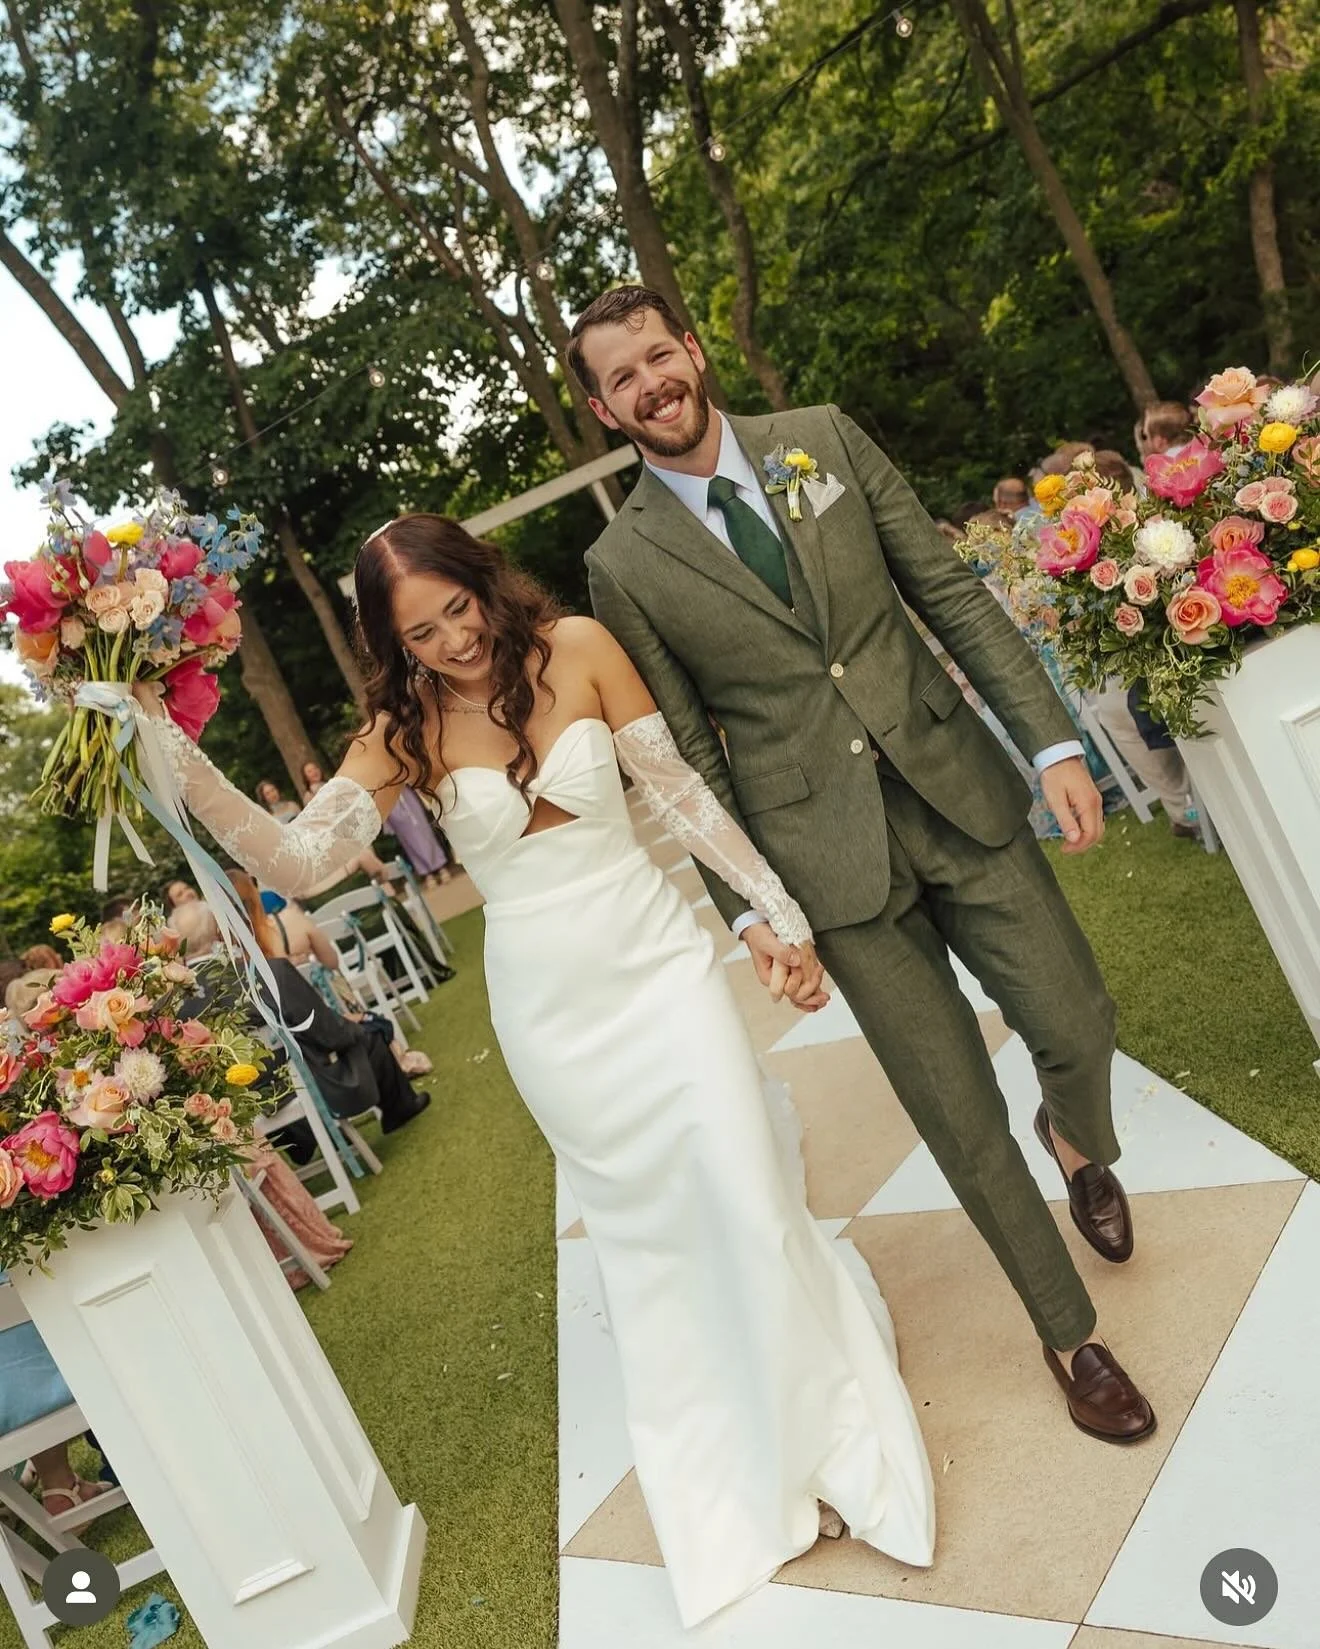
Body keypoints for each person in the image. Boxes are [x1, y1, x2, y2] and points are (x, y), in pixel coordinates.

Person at [129, 523, 936, 1630]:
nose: (454, 640)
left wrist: (769, 913)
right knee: (653, 1242)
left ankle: (826, 1433)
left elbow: (683, 797)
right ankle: (741, 1460)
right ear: (392, 642)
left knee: (747, 1188)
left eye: (458, 607)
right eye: (422, 631)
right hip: (554, 1009)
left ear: (481, 580)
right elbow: (299, 863)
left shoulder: (584, 647)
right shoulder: (400, 728)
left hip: (660, 964)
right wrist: (176, 753)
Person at [568, 284, 1154, 1451]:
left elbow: (946, 590)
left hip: (957, 790)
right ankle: (1069, 1334)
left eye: (657, 354)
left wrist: (1050, 740)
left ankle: (1079, 1140)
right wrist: (752, 913)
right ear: (602, 409)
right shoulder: (623, 562)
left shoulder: (821, 439)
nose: (650, 383)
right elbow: (684, 754)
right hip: (824, 863)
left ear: (692, 349)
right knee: (956, 1109)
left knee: (1076, 1019)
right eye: (620, 377)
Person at [306, 760, 452, 889]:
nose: (313, 772)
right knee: (408, 840)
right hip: (387, 804)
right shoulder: (310, 795)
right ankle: (426, 873)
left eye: (314, 769)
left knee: (424, 831)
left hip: (404, 795)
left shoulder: (333, 784)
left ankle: (440, 866)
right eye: (309, 771)